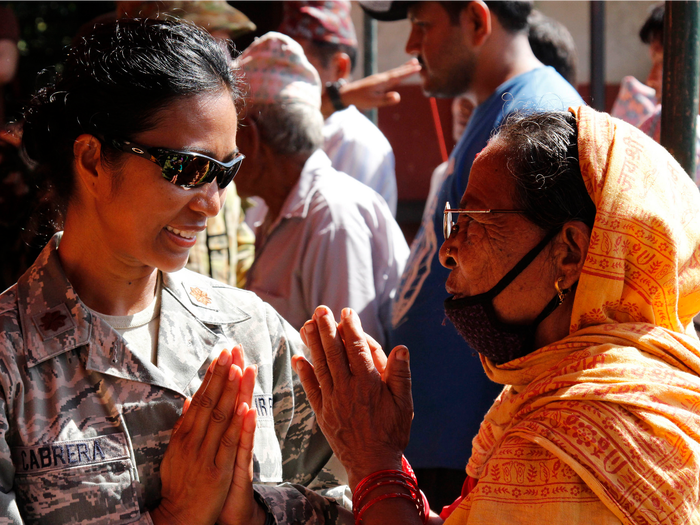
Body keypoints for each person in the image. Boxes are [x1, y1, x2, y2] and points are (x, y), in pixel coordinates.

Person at [0, 19, 352, 524]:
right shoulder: (10, 361)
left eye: (224, 172)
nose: (210, 205)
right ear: (93, 159)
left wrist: (254, 514)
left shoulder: (251, 332)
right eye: (186, 169)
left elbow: (355, 497)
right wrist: (176, 517)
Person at [294, 106, 700, 524]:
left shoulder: (569, 438)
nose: (447, 251)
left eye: (473, 220)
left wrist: (372, 460)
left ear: (568, 254)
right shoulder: (578, 386)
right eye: (456, 219)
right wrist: (382, 453)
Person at [358, 0, 584, 507]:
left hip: (472, 445)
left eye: (422, 25)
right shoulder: (499, 110)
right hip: (445, 438)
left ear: (478, 21)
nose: (412, 47)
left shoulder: (531, 115)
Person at [234, 31, 409, 349]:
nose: (220, 155)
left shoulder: (332, 217)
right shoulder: (281, 214)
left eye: (226, 134)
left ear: (251, 139)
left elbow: (355, 369)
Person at [279, 0, 399, 216]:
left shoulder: (357, 142)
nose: (281, 78)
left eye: (296, 66)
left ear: (339, 68)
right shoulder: (278, 128)